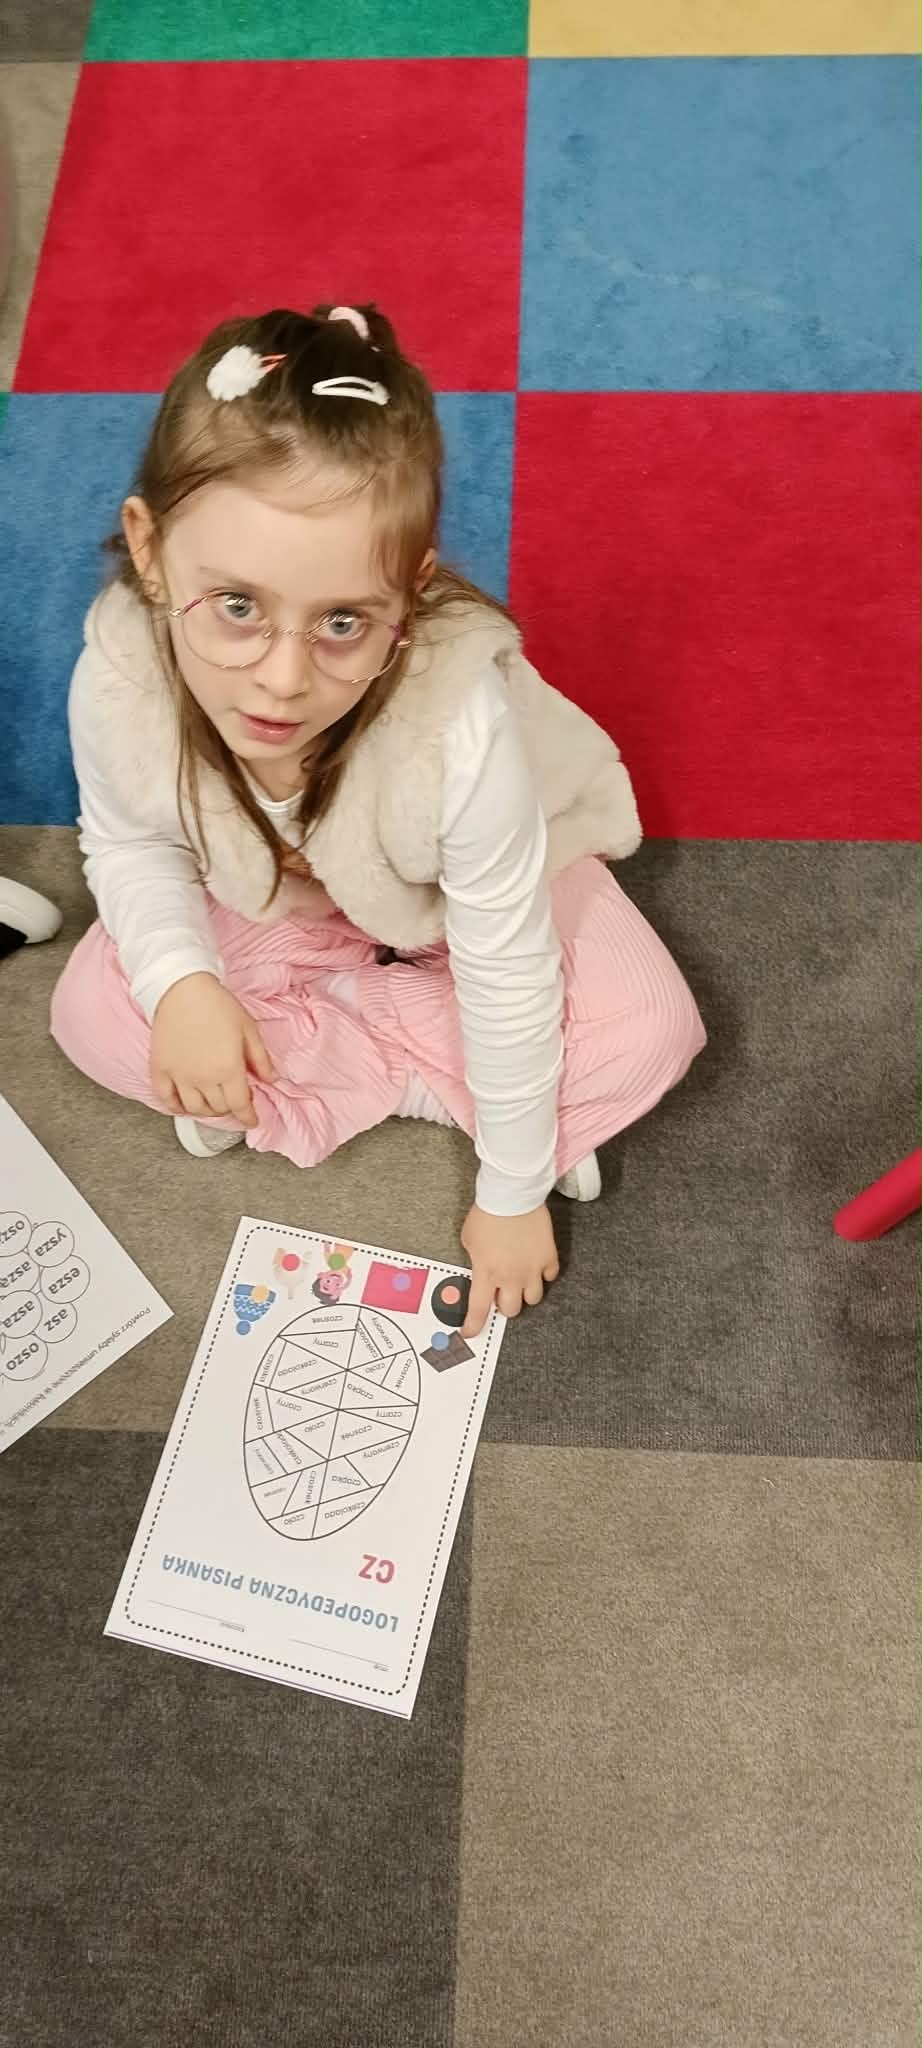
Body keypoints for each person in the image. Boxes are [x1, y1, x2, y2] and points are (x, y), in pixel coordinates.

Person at [50, 302, 706, 1335]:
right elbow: (132, 846)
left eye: (344, 622)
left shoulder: (463, 728)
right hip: (278, 890)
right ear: (150, 549)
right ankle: (451, 1080)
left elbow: (505, 955)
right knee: (94, 1013)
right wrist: (182, 987)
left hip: (466, 891)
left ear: (411, 593)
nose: (281, 678)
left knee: (655, 1030)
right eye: (237, 606)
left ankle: (363, 1072)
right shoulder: (121, 676)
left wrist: (511, 1190)